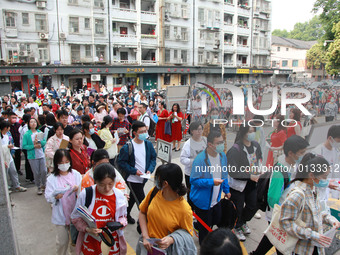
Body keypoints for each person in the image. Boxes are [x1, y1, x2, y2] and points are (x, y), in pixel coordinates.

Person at [250, 135, 309, 255]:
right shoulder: (279, 172)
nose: (303, 155)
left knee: (272, 237)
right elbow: (272, 199)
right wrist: (285, 211)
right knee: (281, 245)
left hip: (284, 214)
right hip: (279, 215)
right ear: (291, 153)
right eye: (301, 152)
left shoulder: (293, 166)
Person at [279, 153, 340, 255]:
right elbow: (286, 223)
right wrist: (312, 235)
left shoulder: (313, 189)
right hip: (301, 249)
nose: (326, 180)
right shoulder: (297, 195)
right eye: (324, 177)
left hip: (314, 246)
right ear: (311, 175)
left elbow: (317, 212)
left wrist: (331, 219)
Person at [137, 163, 196, 255]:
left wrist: (172, 239)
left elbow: (187, 235)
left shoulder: (184, 209)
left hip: (166, 251)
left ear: (165, 183)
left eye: (157, 178)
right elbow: (142, 212)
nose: (155, 180)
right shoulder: (155, 192)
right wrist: (145, 236)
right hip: (148, 245)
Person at [71, 163, 128, 255]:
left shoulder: (119, 196)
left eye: (110, 184)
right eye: (102, 185)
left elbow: (123, 217)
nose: (107, 188)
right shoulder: (86, 194)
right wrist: (87, 229)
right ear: (95, 181)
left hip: (111, 243)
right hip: (91, 244)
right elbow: (75, 217)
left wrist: (120, 223)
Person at [190, 131, 231, 244]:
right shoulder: (200, 160)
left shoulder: (222, 156)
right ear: (210, 144)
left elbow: (224, 174)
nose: (222, 145)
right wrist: (211, 182)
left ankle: (197, 225)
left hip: (216, 199)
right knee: (205, 229)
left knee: (216, 219)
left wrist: (226, 190)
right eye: (219, 143)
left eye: (222, 142)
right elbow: (193, 180)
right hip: (203, 202)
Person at [227, 124, 262, 241]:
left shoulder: (256, 145)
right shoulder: (235, 149)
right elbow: (232, 171)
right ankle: (236, 226)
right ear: (243, 133)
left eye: (253, 131)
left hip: (252, 184)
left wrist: (259, 169)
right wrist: (249, 176)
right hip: (239, 185)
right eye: (250, 131)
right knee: (238, 208)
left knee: (252, 206)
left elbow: (259, 159)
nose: (252, 134)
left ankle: (242, 222)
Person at [118, 121, 157, 224]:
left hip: (143, 178)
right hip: (132, 179)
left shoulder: (148, 144)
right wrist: (134, 171)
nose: (145, 133)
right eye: (142, 131)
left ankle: (126, 214)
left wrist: (150, 169)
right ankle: (145, 223)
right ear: (134, 133)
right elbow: (121, 163)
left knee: (133, 197)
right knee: (142, 202)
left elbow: (153, 158)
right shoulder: (128, 147)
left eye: (145, 131)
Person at [45, 149, 81, 255]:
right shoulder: (52, 179)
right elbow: (48, 197)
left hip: (75, 214)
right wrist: (55, 196)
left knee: (75, 241)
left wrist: (77, 189)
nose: (64, 165)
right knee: (62, 242)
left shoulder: (76, 174)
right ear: (56, 164)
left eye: (66, 162)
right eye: (61, 163)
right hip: (61, 215)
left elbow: (82, 192)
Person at [180, 122, 207, 207]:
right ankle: (191, 212)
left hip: (203, 173)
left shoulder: (205, 140)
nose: (200, 131)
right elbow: (183, 159)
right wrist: (195, 161)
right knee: (192, 194)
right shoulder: (188, 144)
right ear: (192, 131)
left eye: (201, 129)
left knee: (202, 193)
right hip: (191, 174)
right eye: (197, 129)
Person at [313, 125, 340, 201]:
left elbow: (336, 171)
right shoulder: (318, 152)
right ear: (330, 138)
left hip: (333, 190)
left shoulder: (336, 151)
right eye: (338, 141)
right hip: (320, 190)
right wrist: (326, 183)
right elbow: (314, 176)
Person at [22, 118, 47, 195]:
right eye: (31, 122)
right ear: (29, 124)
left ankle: (44, 185)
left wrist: (40, 143)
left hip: (41, 154)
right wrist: (33, 146)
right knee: (36, 172)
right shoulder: (27, 134)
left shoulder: (40, 132)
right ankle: (38, 186)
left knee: (44, 171)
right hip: (32, 156)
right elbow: (24, 146)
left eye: (34, 122)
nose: (33, 123)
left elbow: (44, 142)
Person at [0, 121, 27, 192]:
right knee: (4, 174)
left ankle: (16, 185)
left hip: (9, 156)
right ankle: (5, 188)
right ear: (5, 128)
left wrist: (11, 148)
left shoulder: (6, 135)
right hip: (3, 157)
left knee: (13, 171)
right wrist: (7, 146)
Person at [8, 111, 23, 175]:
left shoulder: (18, 125)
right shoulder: (7, 126)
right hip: (10, 145)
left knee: (18, 157)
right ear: (9, 118)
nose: (14, 119)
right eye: (12, 118)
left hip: (18, 143)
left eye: (15, 117)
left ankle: (18, 169)